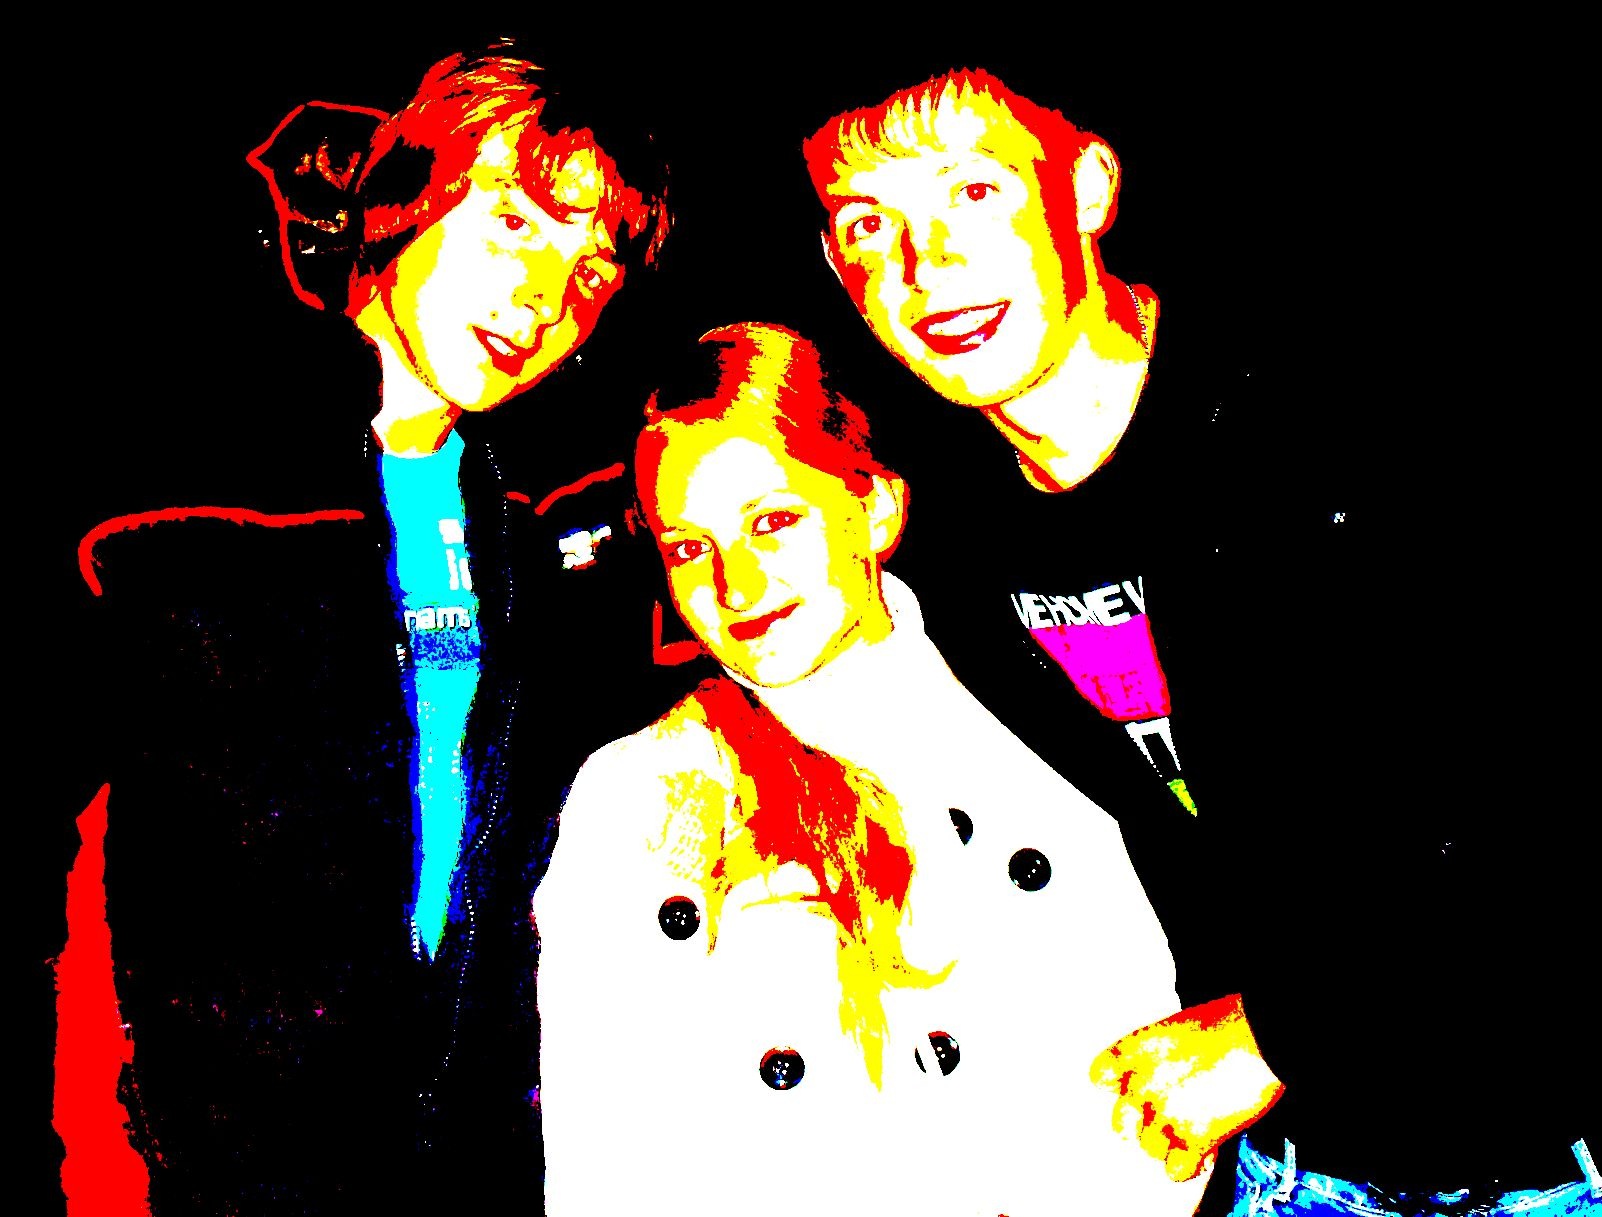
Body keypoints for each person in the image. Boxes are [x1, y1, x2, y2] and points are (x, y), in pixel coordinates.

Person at [804, 67, 1599, 1215]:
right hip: (1270, 1169)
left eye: (972, 193)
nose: (926, 268)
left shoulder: (1343, 418)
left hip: (1531, 1159)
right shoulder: (954, 551)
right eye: (869, 226)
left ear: (1085, 188)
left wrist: (1282, 1030)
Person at [73, 44, 675, 1214]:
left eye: (588, 271)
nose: (540, 299)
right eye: (513, 223)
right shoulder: (183, 482)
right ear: (406, 202)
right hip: (197, 1173)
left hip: (435, 1163)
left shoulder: (517, 535)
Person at [534, 321, 1208, 1217]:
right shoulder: (650, 796)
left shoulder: (1035, 697)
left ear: (877, 510)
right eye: (690, 547)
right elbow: (610, 1167)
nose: (736, 585)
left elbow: (1161, 999)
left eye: (773, 523)